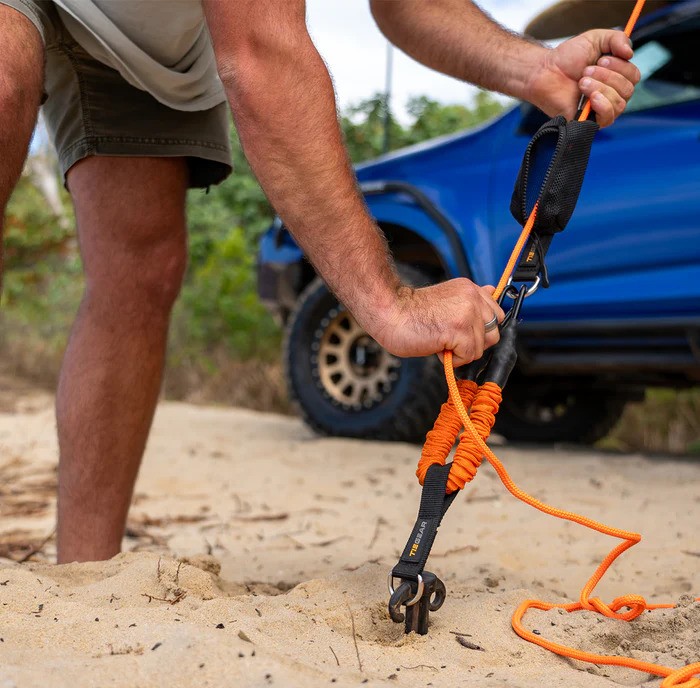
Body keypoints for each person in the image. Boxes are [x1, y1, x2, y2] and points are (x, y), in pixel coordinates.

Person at [0, 0, 640, 564]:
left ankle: (84, 581)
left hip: (147, 37)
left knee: (143, 268)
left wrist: (536, 69)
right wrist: (392, 305)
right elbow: (259, 54)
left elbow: (407, 4)